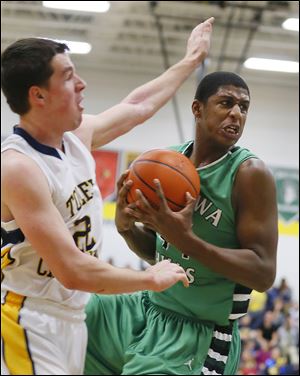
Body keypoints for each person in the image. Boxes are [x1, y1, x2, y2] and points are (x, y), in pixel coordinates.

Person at [1, 17, 214, 375]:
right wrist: (149, 278)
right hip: (29, 317)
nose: (82, 84)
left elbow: (138, 105)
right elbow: (71, 269)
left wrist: (191, 60)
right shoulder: (19, 168)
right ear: (37, 95)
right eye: (68, 77)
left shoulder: (76, 136)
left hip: (72, 318)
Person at [84, 71, 278, 375]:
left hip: (201, 334)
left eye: (243, 107)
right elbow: (163, 255)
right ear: (197, 109)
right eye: (226, 102)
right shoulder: (169, 161)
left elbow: (263, 274)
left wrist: (186, 239)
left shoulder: (250, 174)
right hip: (146, 309)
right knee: (71, 316)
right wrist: (126, 228)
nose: (236, 114)